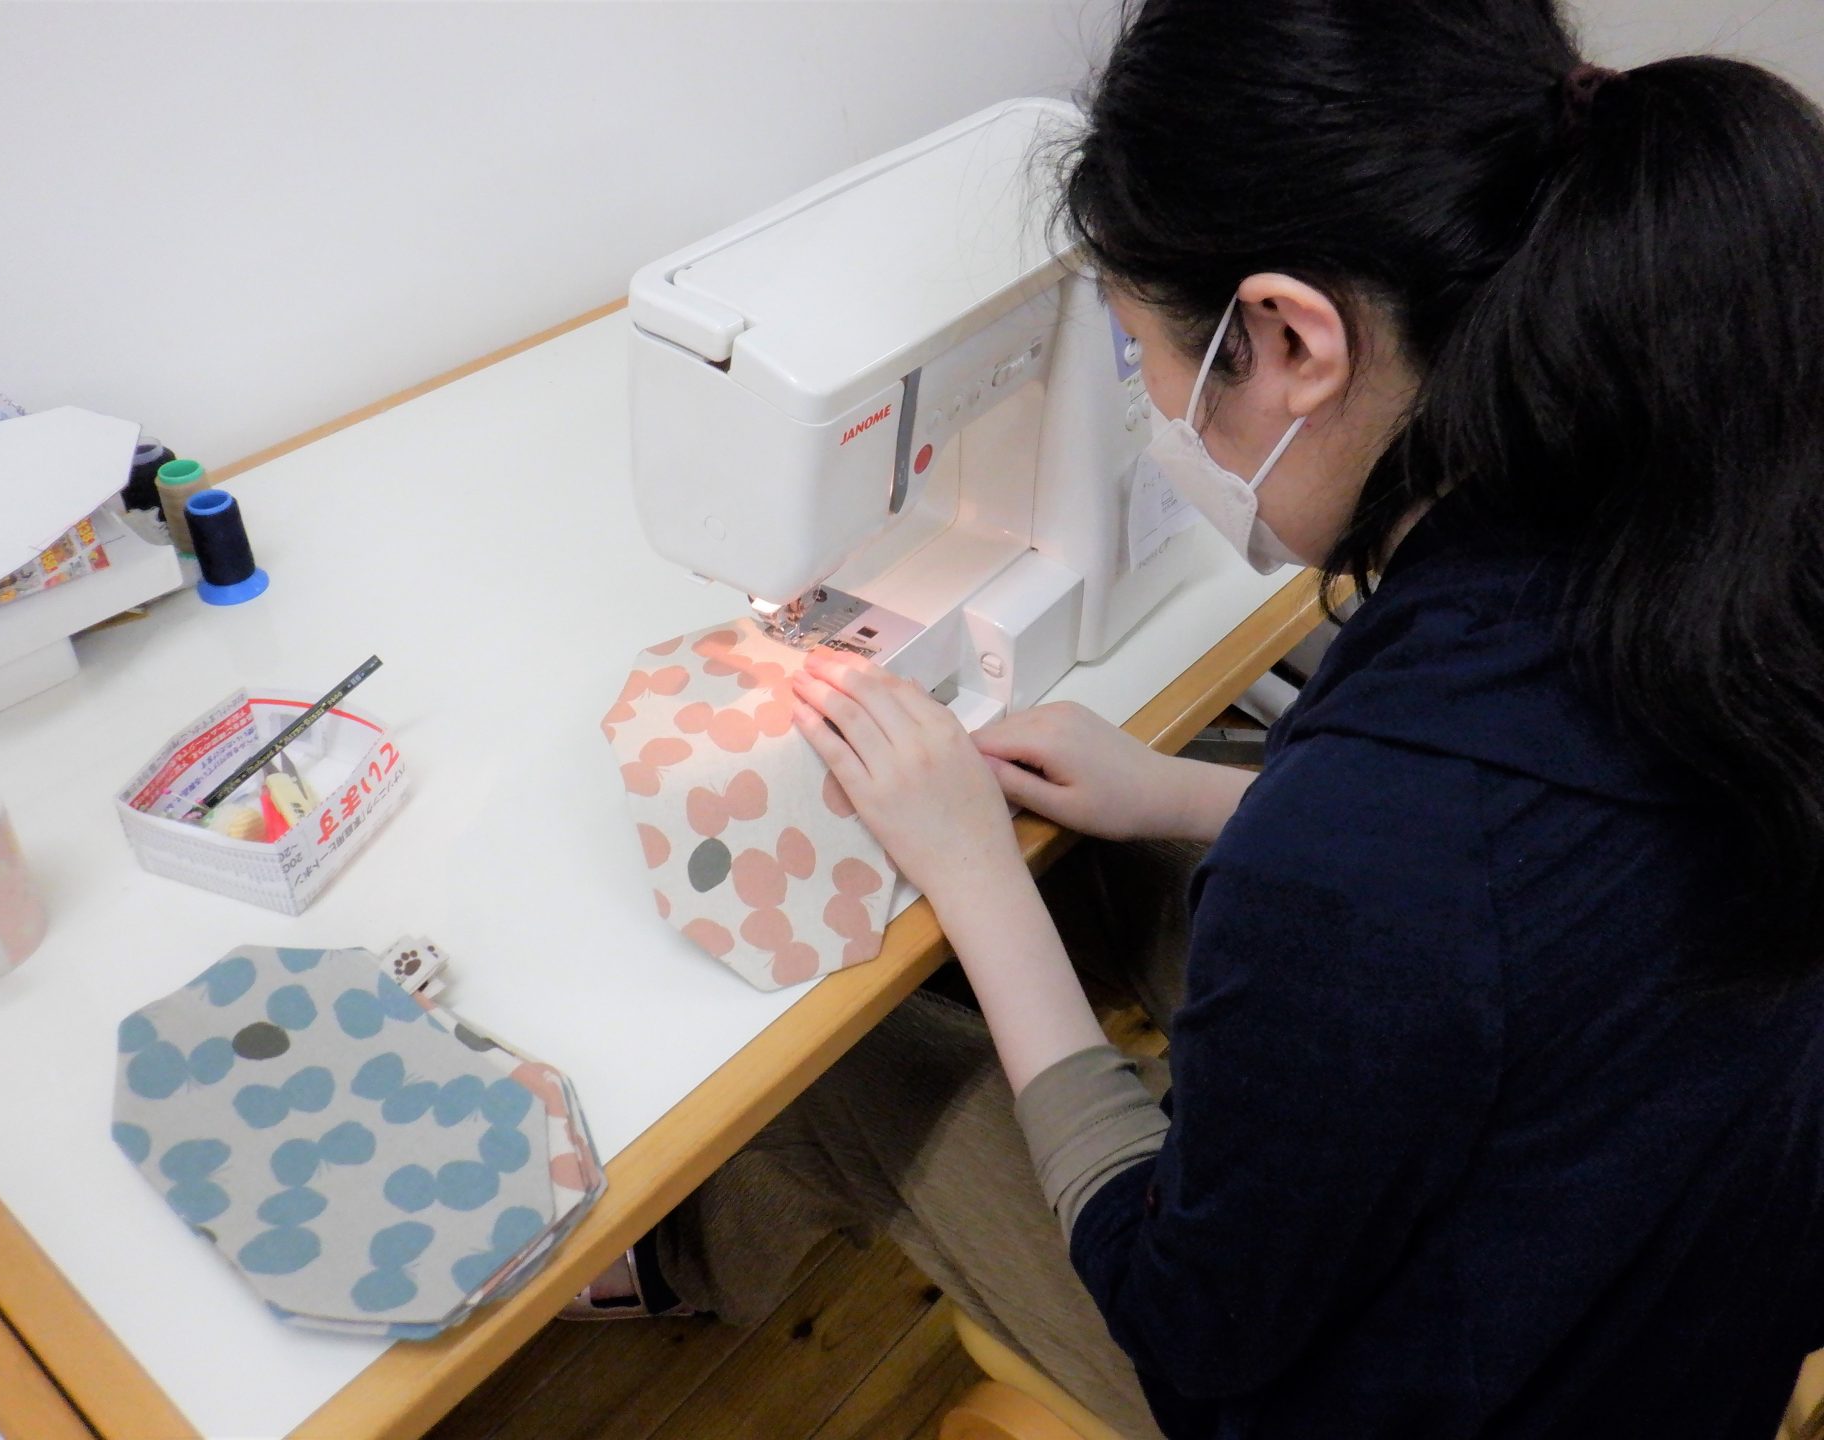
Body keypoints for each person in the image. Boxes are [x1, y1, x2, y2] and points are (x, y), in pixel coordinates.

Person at [568, 2, 1824, 1434]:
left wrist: (978, 880)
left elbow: (1192, 1321)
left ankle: (669, 1259)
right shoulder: (1707, 507)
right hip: (1674, 1267)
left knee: (830, 1074)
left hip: (1438, 1392)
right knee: (1115, 860)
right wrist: (1178, 794)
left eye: (1136, 348)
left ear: (1286, 337)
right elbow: (1541, 870)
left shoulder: (1372, 852)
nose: (1150, 399)